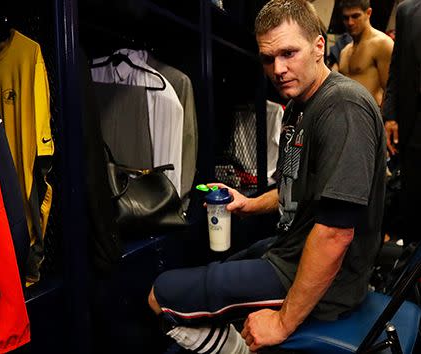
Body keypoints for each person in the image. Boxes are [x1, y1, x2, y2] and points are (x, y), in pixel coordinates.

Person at [147, 1, 387, 353]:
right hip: (289, 251)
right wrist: (249, 203)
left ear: (319, 46)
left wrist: (281, 322)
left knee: (160, 293)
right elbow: (298, 189)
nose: (278, 69)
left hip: (328, 285)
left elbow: (336, 233)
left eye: (289, 53)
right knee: (222, 267)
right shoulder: (298, 106)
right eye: (267, 58)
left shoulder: (343, 107)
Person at [382, 0, 420, 243]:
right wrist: (390, 115)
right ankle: (411, 276)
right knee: (413, 202)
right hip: (413, 123)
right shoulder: (407, 11)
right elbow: (395, 68)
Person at [334, 0, 394, 107]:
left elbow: (391, 91)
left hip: (370, 117)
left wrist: (386, 120)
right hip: (345, 116)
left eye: (355, 16)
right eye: (346, 18)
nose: (350, 22)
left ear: (368, 13)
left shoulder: (382, 44)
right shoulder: (344, 51)